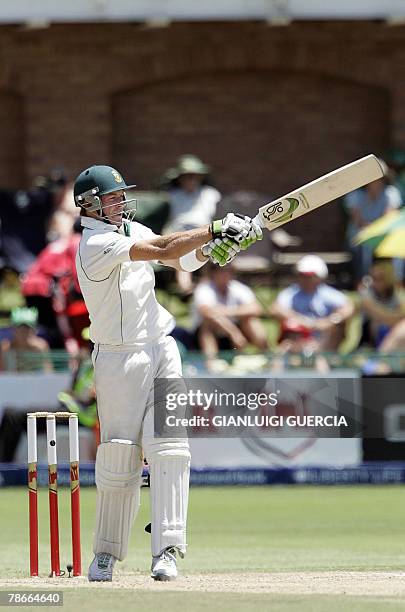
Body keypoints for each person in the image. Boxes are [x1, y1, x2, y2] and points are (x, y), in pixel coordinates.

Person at [73, 164, 261, 582]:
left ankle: (168, 549)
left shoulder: (130, 230)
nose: (121, 202)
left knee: (170, 447)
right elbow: (161, 250)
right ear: (89, 204)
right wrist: (214, 228)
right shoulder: (94, 244)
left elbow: (182, 259)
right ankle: (106, 552)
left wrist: (221, 246)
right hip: (118, 357)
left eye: (122, 196)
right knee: (120, 454)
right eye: (113, 197)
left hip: (162, 347)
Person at [270, 255, 354, 353]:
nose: (304, 279)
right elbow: (275, 309)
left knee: (338, 326)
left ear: (320, 276)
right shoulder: (291, 293)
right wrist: (301, 321)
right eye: (302, 275)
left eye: (309, 276)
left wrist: (331, 321)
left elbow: (349, 307)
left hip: (323, 338)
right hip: (297, 336)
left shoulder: (327, 293)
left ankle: (325, 356)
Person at [163, 155, 222, 294]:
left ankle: (205, 288)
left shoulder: (211, 194)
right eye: (187, 176)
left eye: (194, 176)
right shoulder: (172, 195)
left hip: (207, 232)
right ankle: (186, 288)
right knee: (181, 250)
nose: (191, 180)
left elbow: (220, 215)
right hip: (180, 233)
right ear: (180, 178)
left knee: (211, 247)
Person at [190, 263, 268, 363]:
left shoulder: (237, 288)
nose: (226, 274)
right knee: (207, 326)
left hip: (237, 331)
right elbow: (207, 312)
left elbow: (256, 309)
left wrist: (227, 311)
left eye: (228, 271)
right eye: (222, 271)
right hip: (206, 336)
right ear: (213, 273)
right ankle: (211, 364)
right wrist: (233, 333)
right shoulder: (204, 289)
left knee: (252, 322)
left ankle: (265, 359)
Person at [344, 165, 402, 282]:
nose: (376, 181)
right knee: (366, 246)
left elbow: (389, 217)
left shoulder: (391, 193)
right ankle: (364, 281)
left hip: (383, 234)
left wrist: (377, 230)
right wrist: (371, 231)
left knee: (398, 248)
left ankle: (397, 281)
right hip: (359, 236)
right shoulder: (355, 194)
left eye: (379, 177)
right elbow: (358, 220)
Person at [358, 261, 405, 349]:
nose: (376, 282)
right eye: (374, 278)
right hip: (369, 339)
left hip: (394, 330)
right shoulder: (366, 294)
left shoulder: (397, 292)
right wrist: (396, 316)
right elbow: (382, 317)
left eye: (381, 278)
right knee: (377, 324)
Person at [0, 306, 52, 372]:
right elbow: (2, 375)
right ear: (13, 330)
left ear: (35, 330)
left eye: (28, 328)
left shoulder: (41, 347)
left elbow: (48, 373)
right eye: (21, 328)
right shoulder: (5, 348)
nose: (25, 332)